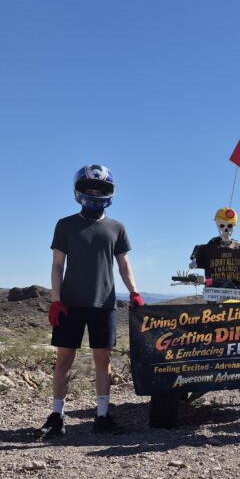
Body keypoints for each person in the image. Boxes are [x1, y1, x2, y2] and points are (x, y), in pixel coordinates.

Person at [40, 164, 143, 437]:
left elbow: (124, 264)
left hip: (104, 303)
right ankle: (56, 415)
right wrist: (55, 300)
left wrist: (134, 291)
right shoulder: (65, 225)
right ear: (79, 191)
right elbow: (56, 265)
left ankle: (102, 415)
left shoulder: (116, 228)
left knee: (103, 360)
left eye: (101, 189)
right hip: (70, 304)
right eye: (90, 188)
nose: (95, 194)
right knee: (64, 358)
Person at [189, 207, 240, 289]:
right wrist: (192, 271)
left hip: (239, 296)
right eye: (222, 225)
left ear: (234, 226)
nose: (226, 229)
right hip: (215, 296)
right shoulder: (207, 250)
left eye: (229, 225)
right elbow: (192, 266)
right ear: (217, 226)